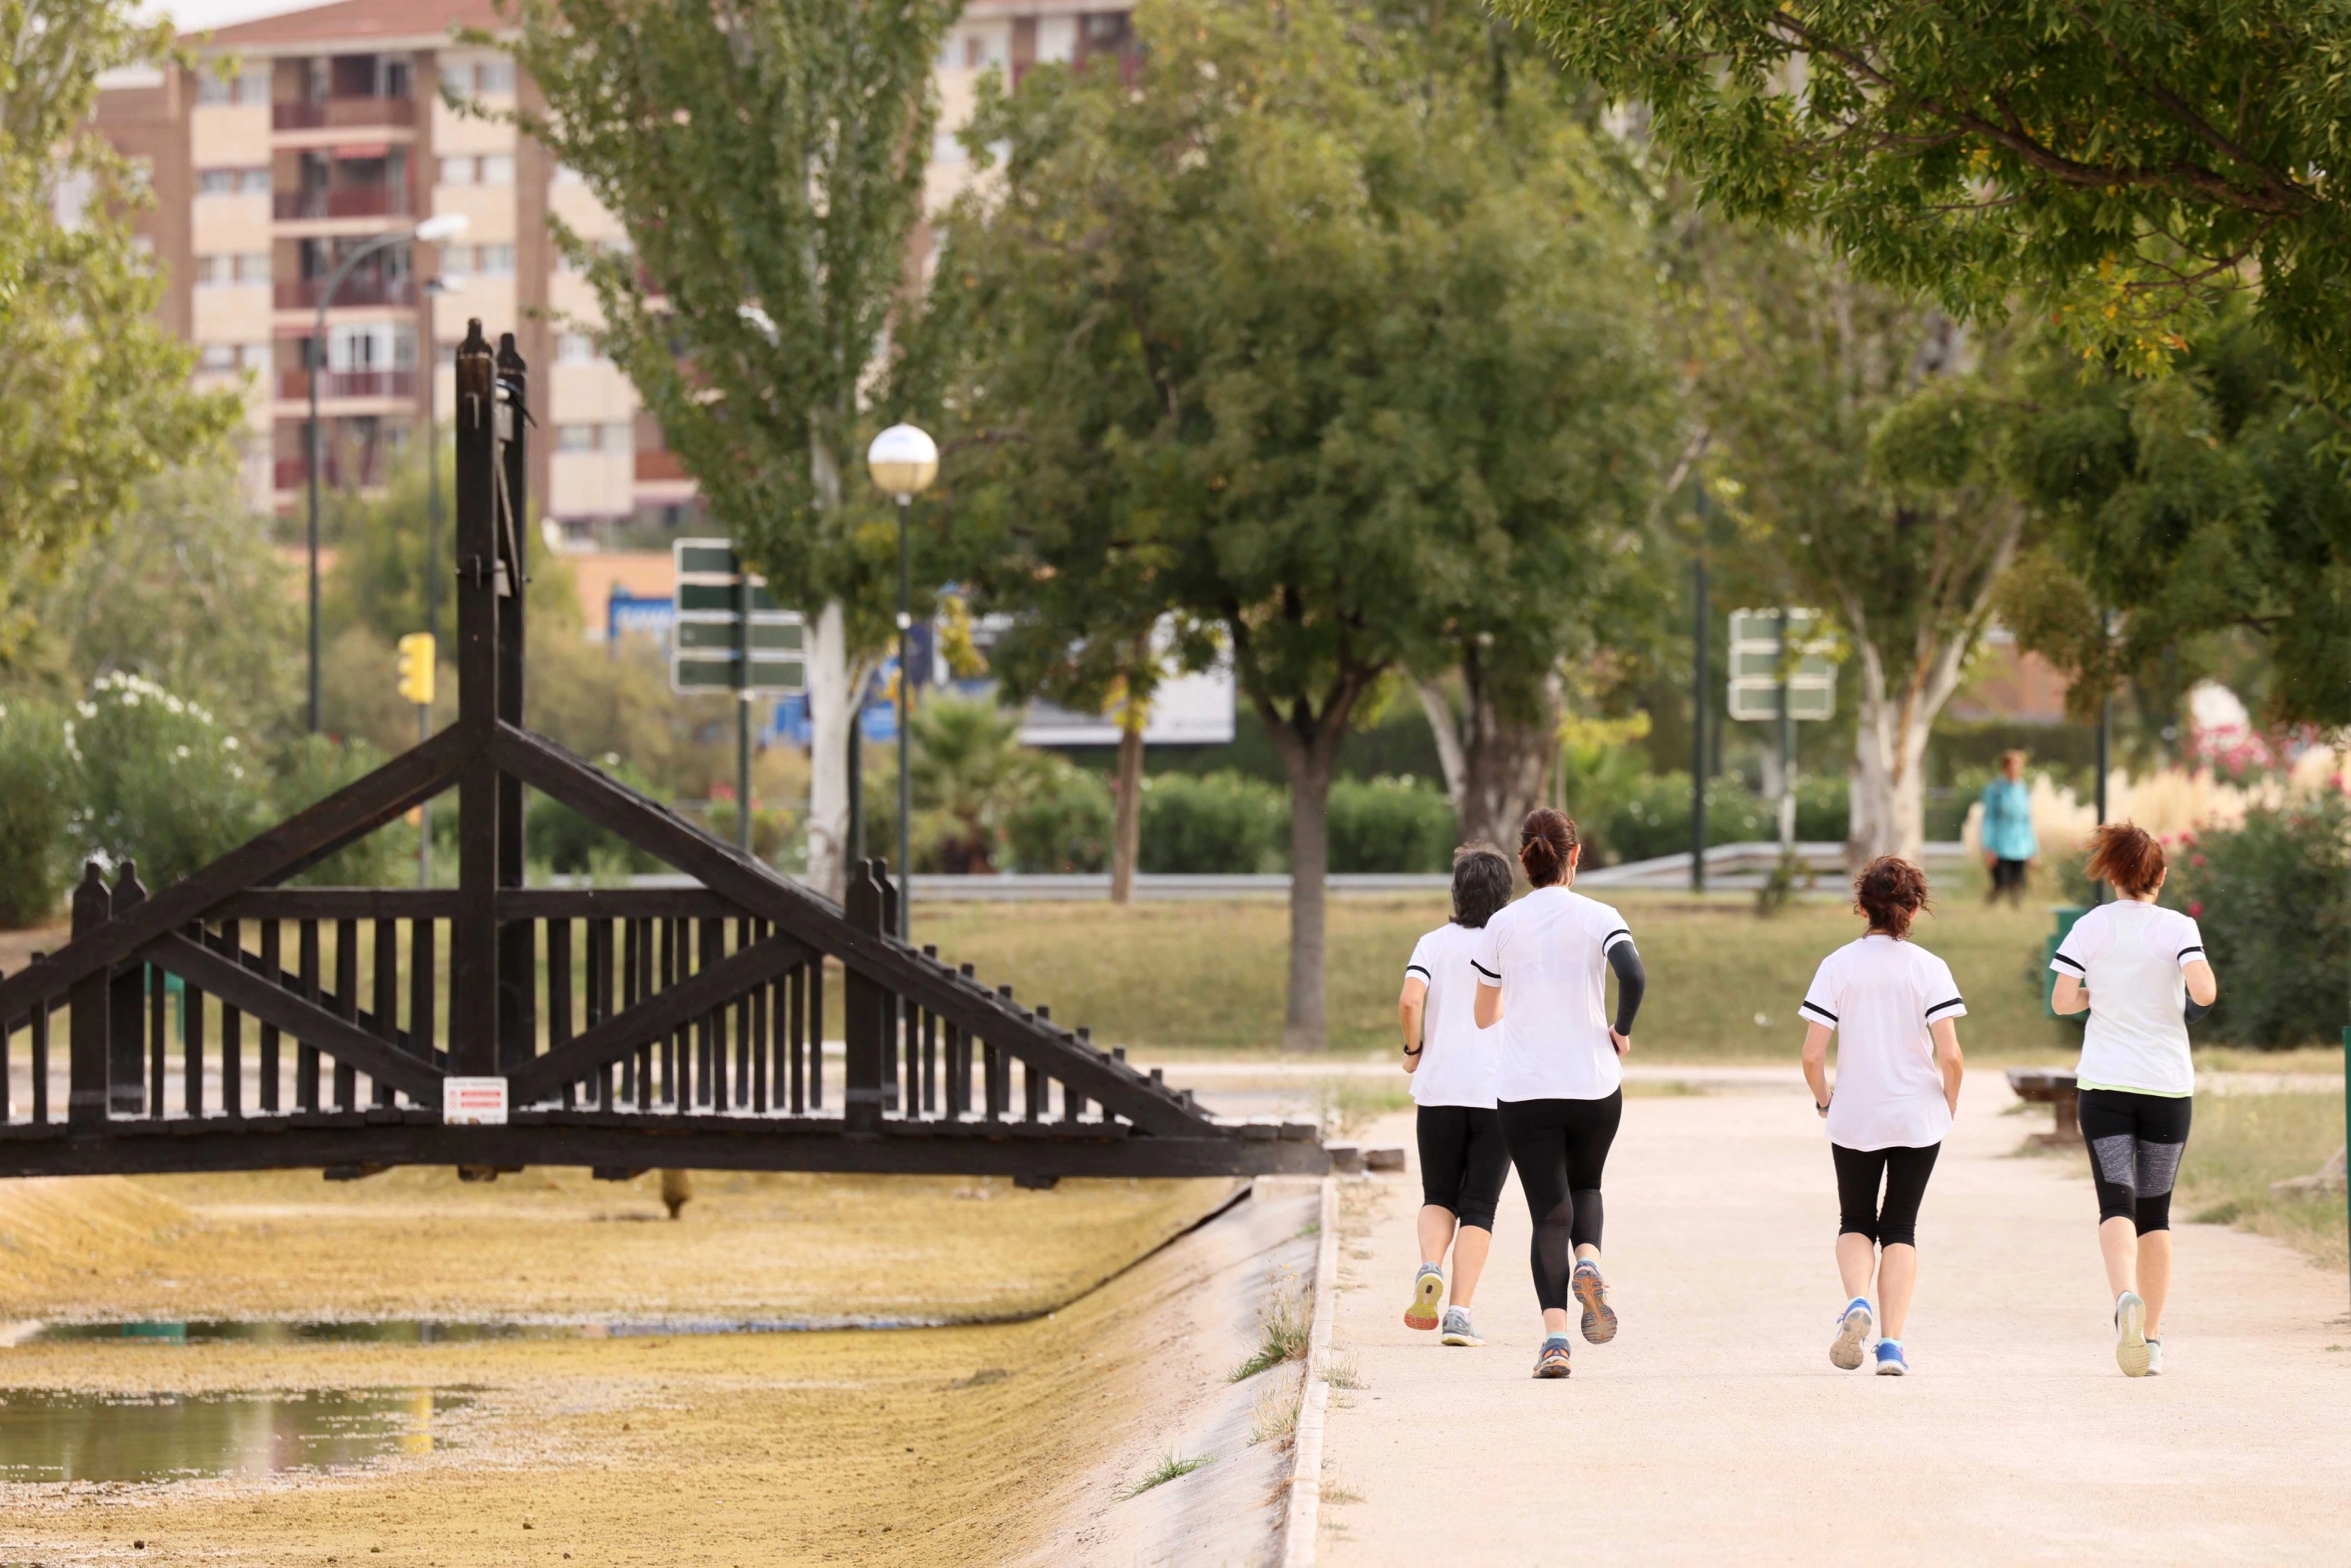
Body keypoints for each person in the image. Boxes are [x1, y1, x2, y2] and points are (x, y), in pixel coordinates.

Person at [1473, 808, 1645, 1380]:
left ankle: (1555, 1342)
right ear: (1575, 857)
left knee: (1549, 1213)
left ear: (1527, 859)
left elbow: (1483, 1015)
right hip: (1594, 1084)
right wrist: (1620, 1029)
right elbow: (1634, 975)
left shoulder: (1502, 925)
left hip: (1525, 1091)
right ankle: (1589, 1262)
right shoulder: (1600, 917)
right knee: (1587, 1183)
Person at [2050, 822, 2218, 1378]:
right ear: (2161, 877)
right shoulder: (2178, 928)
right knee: (2156, 1212)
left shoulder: (2091, 927)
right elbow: (2204, 992)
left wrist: (2104, 991)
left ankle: (2125, 1296)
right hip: (2167, 1087)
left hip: (2105, 1086)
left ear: (2113, 875)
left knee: (2114, 1202)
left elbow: (2062, 1001)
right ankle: (2151, 1340)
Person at [1797, 856, 1966, 1377]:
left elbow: (1810, 1056)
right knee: (1901, 1228)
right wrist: (1948, 1106)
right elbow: (1952, 1057)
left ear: (1862, 905)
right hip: (1917, 1115)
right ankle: (1891, 1345)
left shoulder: (1837, 965)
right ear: (1914, 908)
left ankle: (1857, 1303)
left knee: (1855, 1220)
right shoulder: (1928, 968)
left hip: (1855, 1114)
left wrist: (1826, 1099)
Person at [1397, 844, 1517, 1348]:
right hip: (1497, 1094)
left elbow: (1410, 998)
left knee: (1438, 1195)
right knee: (1480, 1206)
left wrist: (1413, 1048)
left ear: (1456, 892)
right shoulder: (1512, 947)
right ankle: (1459, 1315)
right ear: (1505, 896)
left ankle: (1431, 1265)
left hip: (1439, 1089)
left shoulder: (1432, 943)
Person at [1979, 751, 2039, 906]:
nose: (2014, 770)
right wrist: (1988, 847)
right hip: (2001, 844)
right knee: (2002, 883)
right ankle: (1988, 908)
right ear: (2004, 768)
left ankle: (2016, 912)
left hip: (2020, 845)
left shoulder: (2023, 790)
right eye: (2011, 766)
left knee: (2018, 884)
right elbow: (1989, 819)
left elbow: (2027, 821)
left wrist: (2033, 850)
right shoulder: (1995, 790)